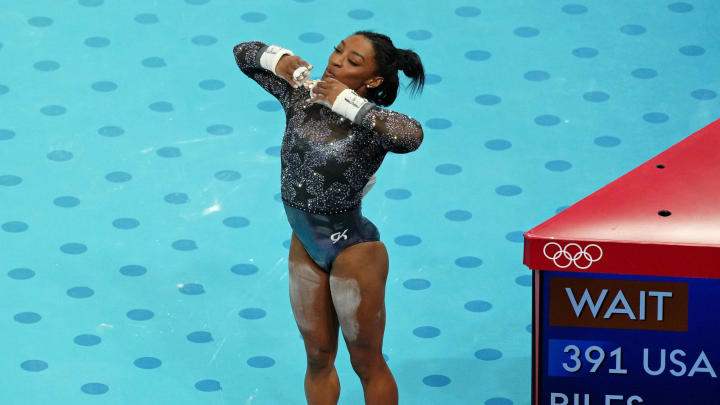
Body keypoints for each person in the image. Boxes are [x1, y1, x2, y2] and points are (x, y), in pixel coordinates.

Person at [233, 31, 425, 405]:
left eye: (353, 61)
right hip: (304, 243)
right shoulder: (300, 96)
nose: (337, 61)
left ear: (373, 80)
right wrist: (279, 59)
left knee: (365, 361)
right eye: (338, 51)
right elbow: (243, 54)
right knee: (318, 358)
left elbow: (411, 136)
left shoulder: (373, 126)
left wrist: (350, 104)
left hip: (353, 249)